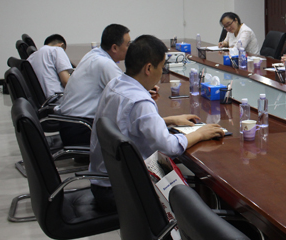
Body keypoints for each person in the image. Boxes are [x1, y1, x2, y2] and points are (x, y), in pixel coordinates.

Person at [88, 35, 224, 211]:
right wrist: (200, 134)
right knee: (193, 193)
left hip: (105, 182)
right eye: (162, 66)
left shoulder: (114, 84)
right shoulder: (140, 101)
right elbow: (169, 147)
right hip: (123, 191)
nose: (162, 72)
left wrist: (169, 120)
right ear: (149, 68)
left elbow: (126, 122)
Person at [55, 24, 130, 146]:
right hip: (81, 129)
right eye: (127, 44)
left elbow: (123, 86)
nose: (129, 48)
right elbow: (128, 95)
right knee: (131, 134)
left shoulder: (94, 54)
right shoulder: (104, 63)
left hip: (70, 124)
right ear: (114, 48)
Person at [27, 34, 72, 98]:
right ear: (61, 45)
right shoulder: (57, 49)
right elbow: (66, 82)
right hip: (58, 98)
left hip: (43, 99)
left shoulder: (31, 57)